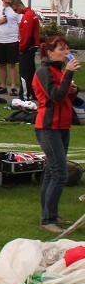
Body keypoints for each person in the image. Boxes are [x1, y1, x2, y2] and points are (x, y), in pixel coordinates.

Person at [33, 35, 80, 232]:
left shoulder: (56, 70)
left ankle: (50, 215)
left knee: (52, 172)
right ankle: (48, 220)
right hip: (48, 127)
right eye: (61, 50)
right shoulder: (44, 71)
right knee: (60, 173)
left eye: (67, 50)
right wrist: (68, 76)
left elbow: (64, 95)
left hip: (61, 126)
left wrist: (72, 89)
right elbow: (55, 96)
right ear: (50, 53)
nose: (66, 54)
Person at [0, 0, 20, 95]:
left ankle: (13, 86)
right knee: (2, 64)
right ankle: (3, 86)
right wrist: (0, 22)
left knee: (12, 64)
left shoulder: (15, 10)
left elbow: (19, 24)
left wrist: (20, 39)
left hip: (12, 40)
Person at [13, 0, 41, 101]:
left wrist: (21, 48)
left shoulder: (27, 16)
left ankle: (24, 96)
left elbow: (26, 35)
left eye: (16, 10)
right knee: (31, 72)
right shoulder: (31, 14)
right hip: (32, 46)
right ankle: (34, 93)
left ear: (19, 5)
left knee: (24, 73)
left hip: (27, 47)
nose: (16, 13)